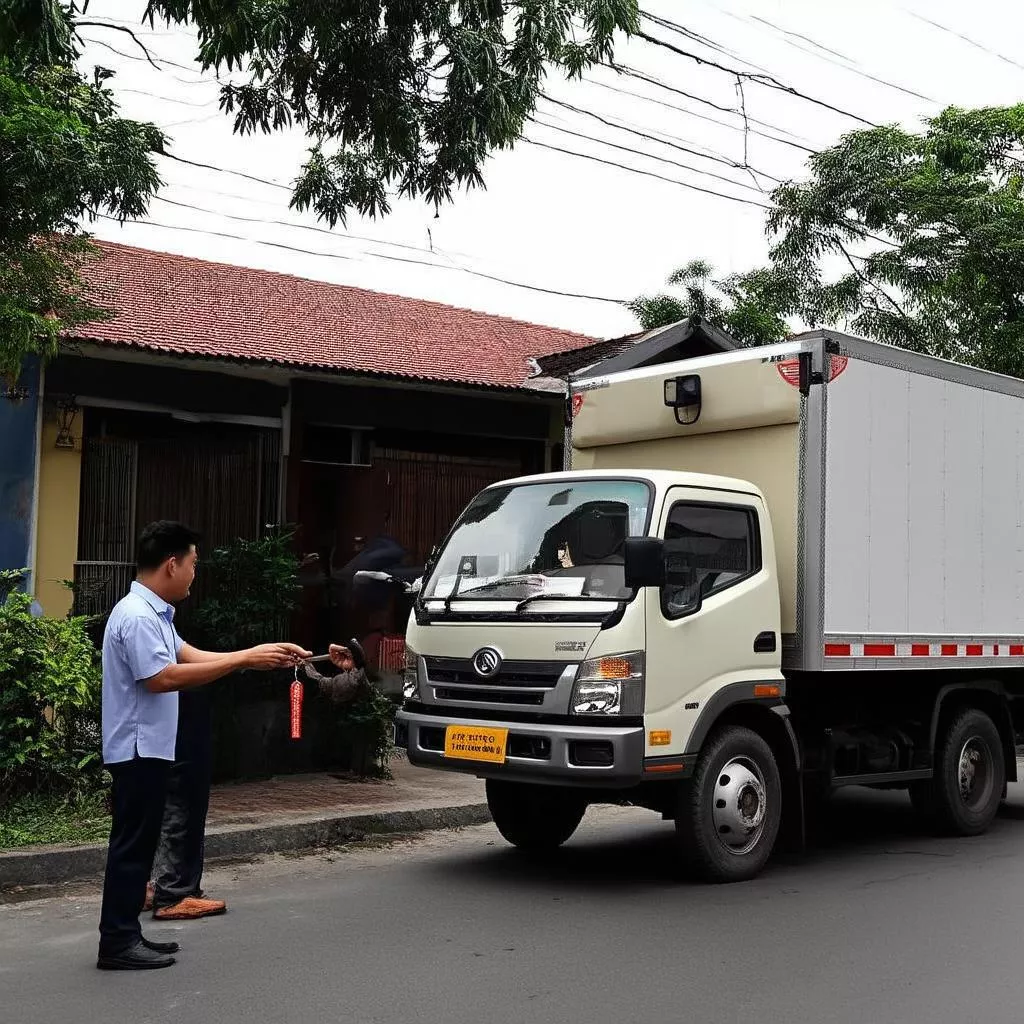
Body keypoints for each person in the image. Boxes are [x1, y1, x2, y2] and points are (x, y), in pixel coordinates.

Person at [97, 521, 310, 971]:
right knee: (131, 849)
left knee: (139, 845)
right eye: (193, 564)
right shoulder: (136, 616)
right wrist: (244, 659)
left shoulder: (153, 615)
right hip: (137, 750)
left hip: (149, 749)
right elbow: (161, 678)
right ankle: (116, 942)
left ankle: (127, 936)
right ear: (172, 564)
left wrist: (256, 654)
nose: (195, 573)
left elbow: (187, 656)